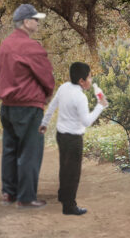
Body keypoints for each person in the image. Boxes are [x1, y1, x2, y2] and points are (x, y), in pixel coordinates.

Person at [0, 4, 56, 208]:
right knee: (30, 151)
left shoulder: (5, 45)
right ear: (26, 22)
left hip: (7, 107)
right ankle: (27, 197)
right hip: (28, 107)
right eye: (35, 19)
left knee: (10, 150)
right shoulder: (30, 47)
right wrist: (47, 95)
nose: (38, 23)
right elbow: (46, 77)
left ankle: (9, 193)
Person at [45, 62, 106, 216]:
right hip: (73, 139)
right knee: (73, 173)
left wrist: (44, 122)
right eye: (89, 77)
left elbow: (52, 105)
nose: (91, 80)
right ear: (81, 81)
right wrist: (100, 106)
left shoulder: (64, 87)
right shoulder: (80, 97)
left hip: (61, 135)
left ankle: (62, 195)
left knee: (64, 166)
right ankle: (69, 206)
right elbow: (86, 121)